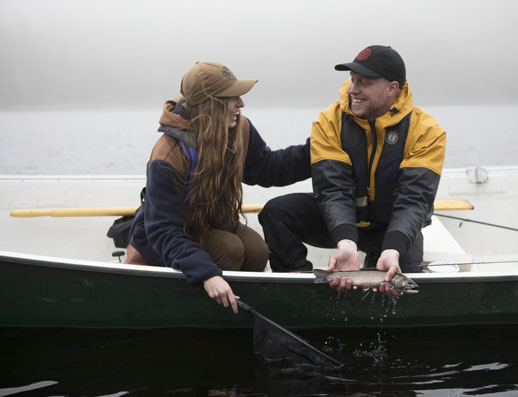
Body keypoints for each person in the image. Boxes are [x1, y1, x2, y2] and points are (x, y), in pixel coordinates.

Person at [259, 45, 446, 296]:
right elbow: (333, 190)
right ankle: (302, 287)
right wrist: (346, 241)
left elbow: (414, 201)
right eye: (352, 80)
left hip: (389, 228)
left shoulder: (427, 131)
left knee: (404, 286)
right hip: (340, 223)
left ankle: (378, 270)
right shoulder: (329, 121)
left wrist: (394, 248)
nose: (353, 90)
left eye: (365, 83)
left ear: (392, 88)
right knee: (276, 212)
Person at [125, 61, 310, 313]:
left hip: (212, 221)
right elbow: (163, 231)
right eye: (231, 97)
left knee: (257, 251)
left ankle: (235, 308)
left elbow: (267, 167)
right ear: (209, 103)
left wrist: (317, 151)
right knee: (229, 250)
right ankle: (207, 309)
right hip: (169, 238)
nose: (241, 104)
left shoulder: (239, 128)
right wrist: (207, 274)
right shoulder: (167, 156)